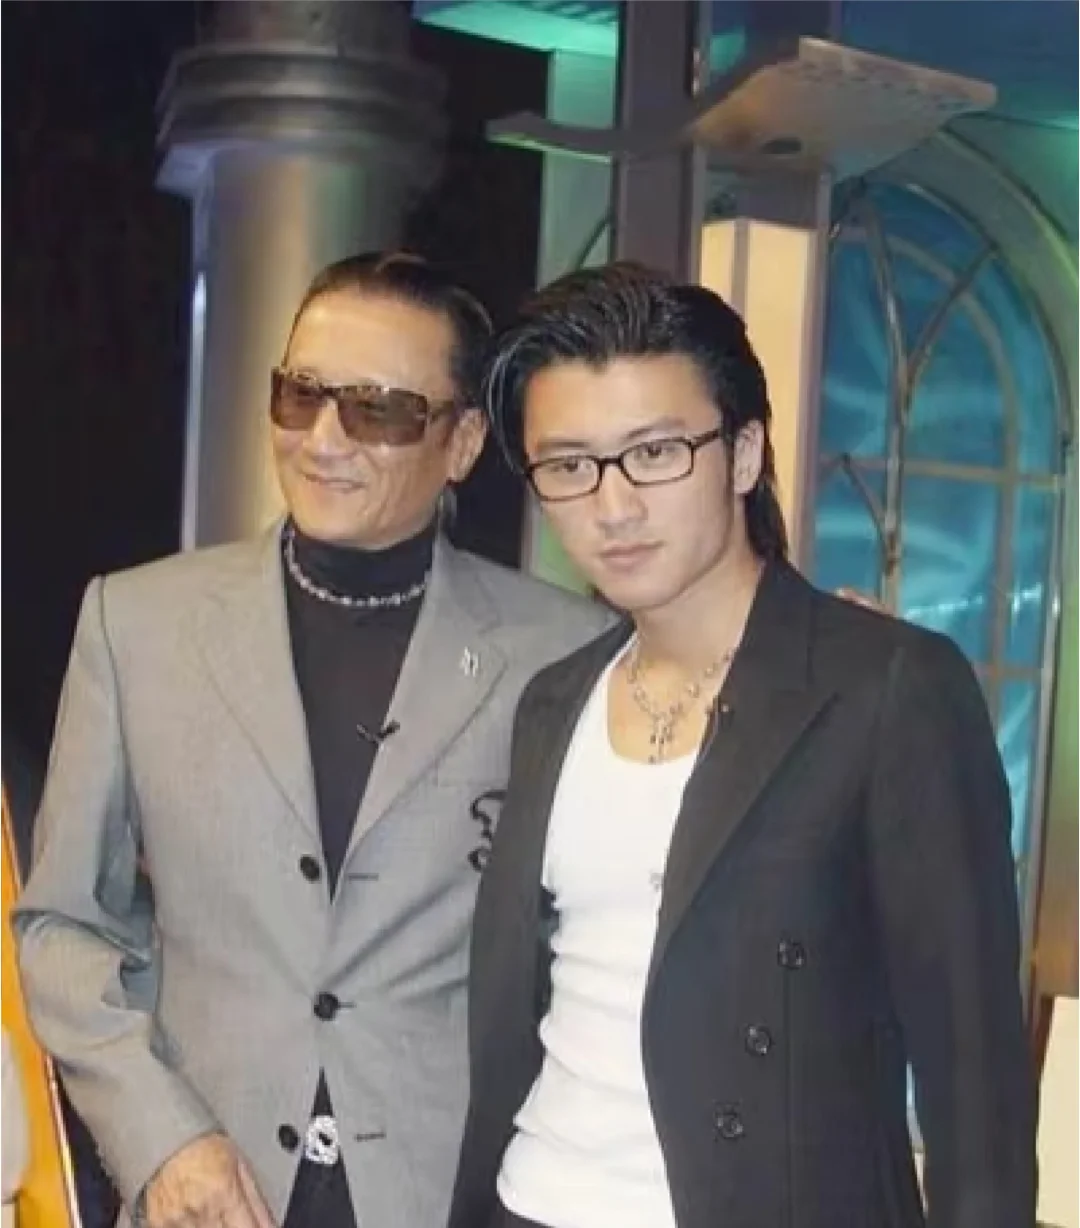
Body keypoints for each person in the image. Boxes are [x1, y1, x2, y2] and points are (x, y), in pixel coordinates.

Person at [12, 252, 612, 1228]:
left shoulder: (567, 653)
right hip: (207, 1195)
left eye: (379, 410)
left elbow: (593, 953)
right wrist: (161, 1137)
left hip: (458, 1197)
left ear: (462, 441)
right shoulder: (137, 624)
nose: (324, 438)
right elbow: (65, 925)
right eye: (301, 395)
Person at [450, 264, 1036, 1228]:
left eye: (655, 452)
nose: (613, 506)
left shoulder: (888, 688)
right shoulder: (554, 701)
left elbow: (976, 1089)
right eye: (569, 465)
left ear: (745, 453)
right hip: (533, 1200)